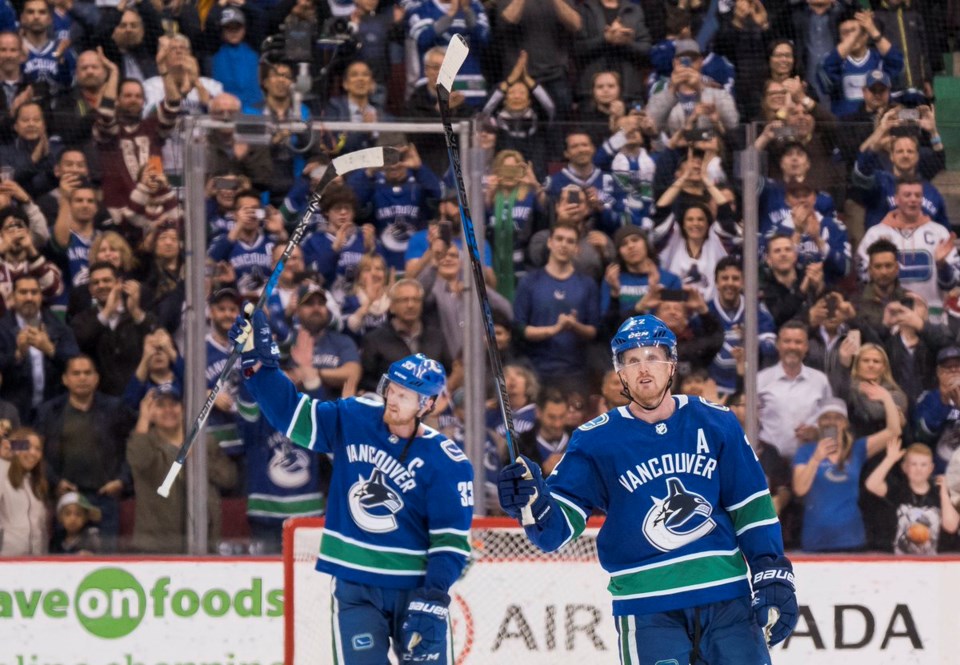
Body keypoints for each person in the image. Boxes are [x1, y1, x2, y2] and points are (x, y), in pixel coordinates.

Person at [498, 314, 798, 661]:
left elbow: (752, 507)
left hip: (726, 600)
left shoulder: (717, 422)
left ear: (672, 364)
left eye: (653, 357)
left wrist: (771, 570)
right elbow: (554, 532)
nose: (644, 369)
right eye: (632, 360)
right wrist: (532, 505)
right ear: (620, 373)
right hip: (648, 610)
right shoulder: (595, 440)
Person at [229, 308, 474, 665]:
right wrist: (259, 364)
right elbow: (291, 415)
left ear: (429, 404)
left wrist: (434, 598)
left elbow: (450, 541)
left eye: (407, 395)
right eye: (393, 388)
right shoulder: (355, 417)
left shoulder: (448, 462)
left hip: (415, 589)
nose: (393, 399)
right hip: (356, 586)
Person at [34, 354, 133, 552]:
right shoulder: (49, 411)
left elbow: (133, 447)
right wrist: (54, 481)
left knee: (104, 567)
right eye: (76, 373)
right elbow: (34, 450)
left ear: (96, 378)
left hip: (104, 498)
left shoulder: (115, 409)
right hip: (67, 499)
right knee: (63, 566)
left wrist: (122, 480)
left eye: (87, 373)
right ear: (65, 379)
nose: (82, 378)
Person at [126, 383, 236, 553]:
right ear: (150, 411)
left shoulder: (204, 442)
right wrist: (143, 419)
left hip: (202, 541)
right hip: (156, 545)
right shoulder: (144, 442)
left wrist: (196, 457)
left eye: (173, 404)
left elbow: (228, 478)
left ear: (183, 409)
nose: (168, 410)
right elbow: (138, 460)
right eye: (160, 406)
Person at [792, 395, 900, 552]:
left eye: (837, 418)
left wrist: (885, 397)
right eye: (826, 418)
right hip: (816, 537)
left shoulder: (857, 449)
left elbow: (893, 431)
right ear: (819, 422)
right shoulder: (806, 451)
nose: (831, 422)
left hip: (851, 537)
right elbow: (800, 489)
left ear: (845, 423)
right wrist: (816, 458)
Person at [865, 440, 960, 554]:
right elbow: (871, 485)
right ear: (904, 468)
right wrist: (889, 459)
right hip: (900, 562)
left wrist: (944, 491)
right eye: (913, 464)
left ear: (931, 468)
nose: (918, 469)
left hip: (932, 563)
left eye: (923, 465)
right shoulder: (897, 489)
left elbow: (951, 526)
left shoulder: (939, 493)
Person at [757, 320, 833, 461]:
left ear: (806, 347)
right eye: (787, 341)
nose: (792, 347)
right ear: (778, 345)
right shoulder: (760, 380)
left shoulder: (820, 381)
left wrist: (817, 431)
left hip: (810, 462)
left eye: (798, 342)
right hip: (769, 463)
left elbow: (832, 422)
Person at [0, 426, 48, 554]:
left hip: (33, 563)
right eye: (27, 446)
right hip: (6, 560)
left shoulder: (37, 483)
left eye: (38, 449)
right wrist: (3, 459)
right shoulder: (2, 473)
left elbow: (41, 528)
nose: (33, 453)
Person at [49, 490, 102, 555]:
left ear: (85, 518)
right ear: (60, 517)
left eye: (78, 514)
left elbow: (100, 559)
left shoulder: (91, 538)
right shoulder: (56, 540)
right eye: (68, 514)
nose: (73, 519)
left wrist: (91, 556)